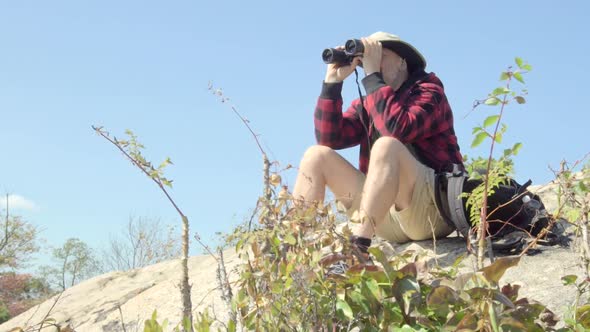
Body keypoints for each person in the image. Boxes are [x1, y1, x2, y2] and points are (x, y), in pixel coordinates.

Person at [292, 31, 464, 267]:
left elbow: (397, 129)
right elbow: (329, 138)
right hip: (385, 218)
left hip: (430, 213)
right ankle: (293, 254)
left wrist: (372, 75)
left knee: (386, 145)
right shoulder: (370, 104)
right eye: (367, 58)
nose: (371, 63)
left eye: (380, 55)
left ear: (403, 62)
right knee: (316, 155)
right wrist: (332, 83)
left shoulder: (429, 90)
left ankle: (358, 252)